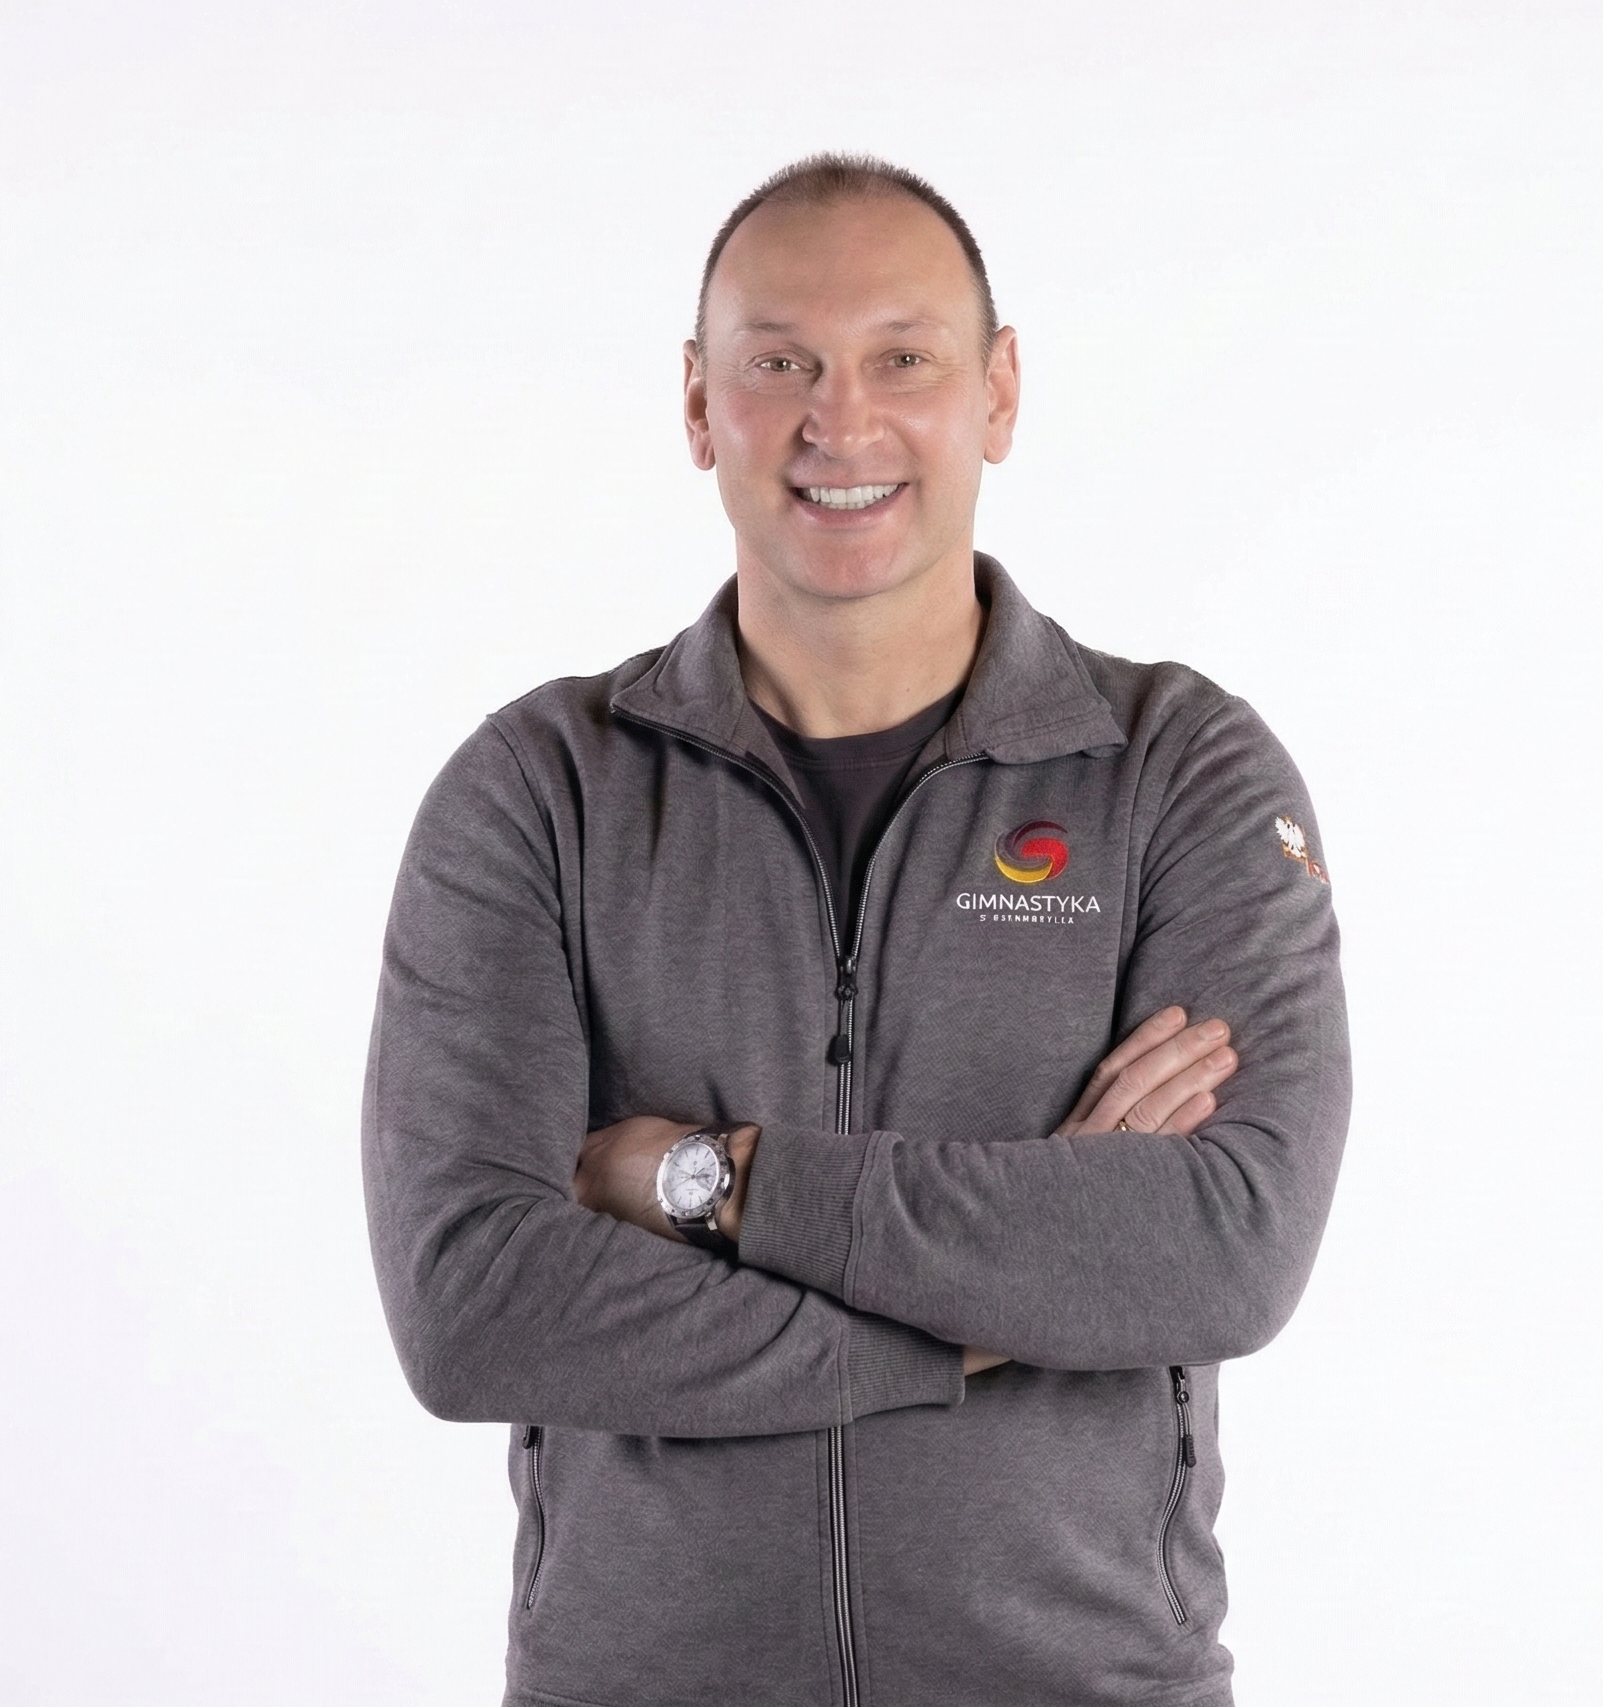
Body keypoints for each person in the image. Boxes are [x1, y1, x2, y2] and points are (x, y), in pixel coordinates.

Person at [363, 153, 1350, 1707]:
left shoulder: (1178, 772)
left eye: (904, 359)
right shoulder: (541, 792)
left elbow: (1224, 1241)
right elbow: (473, 1301)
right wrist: (979, 1319)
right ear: (699, 404)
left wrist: (704, 1180)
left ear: (998, 393)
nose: (842, 421)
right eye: (781, 365)